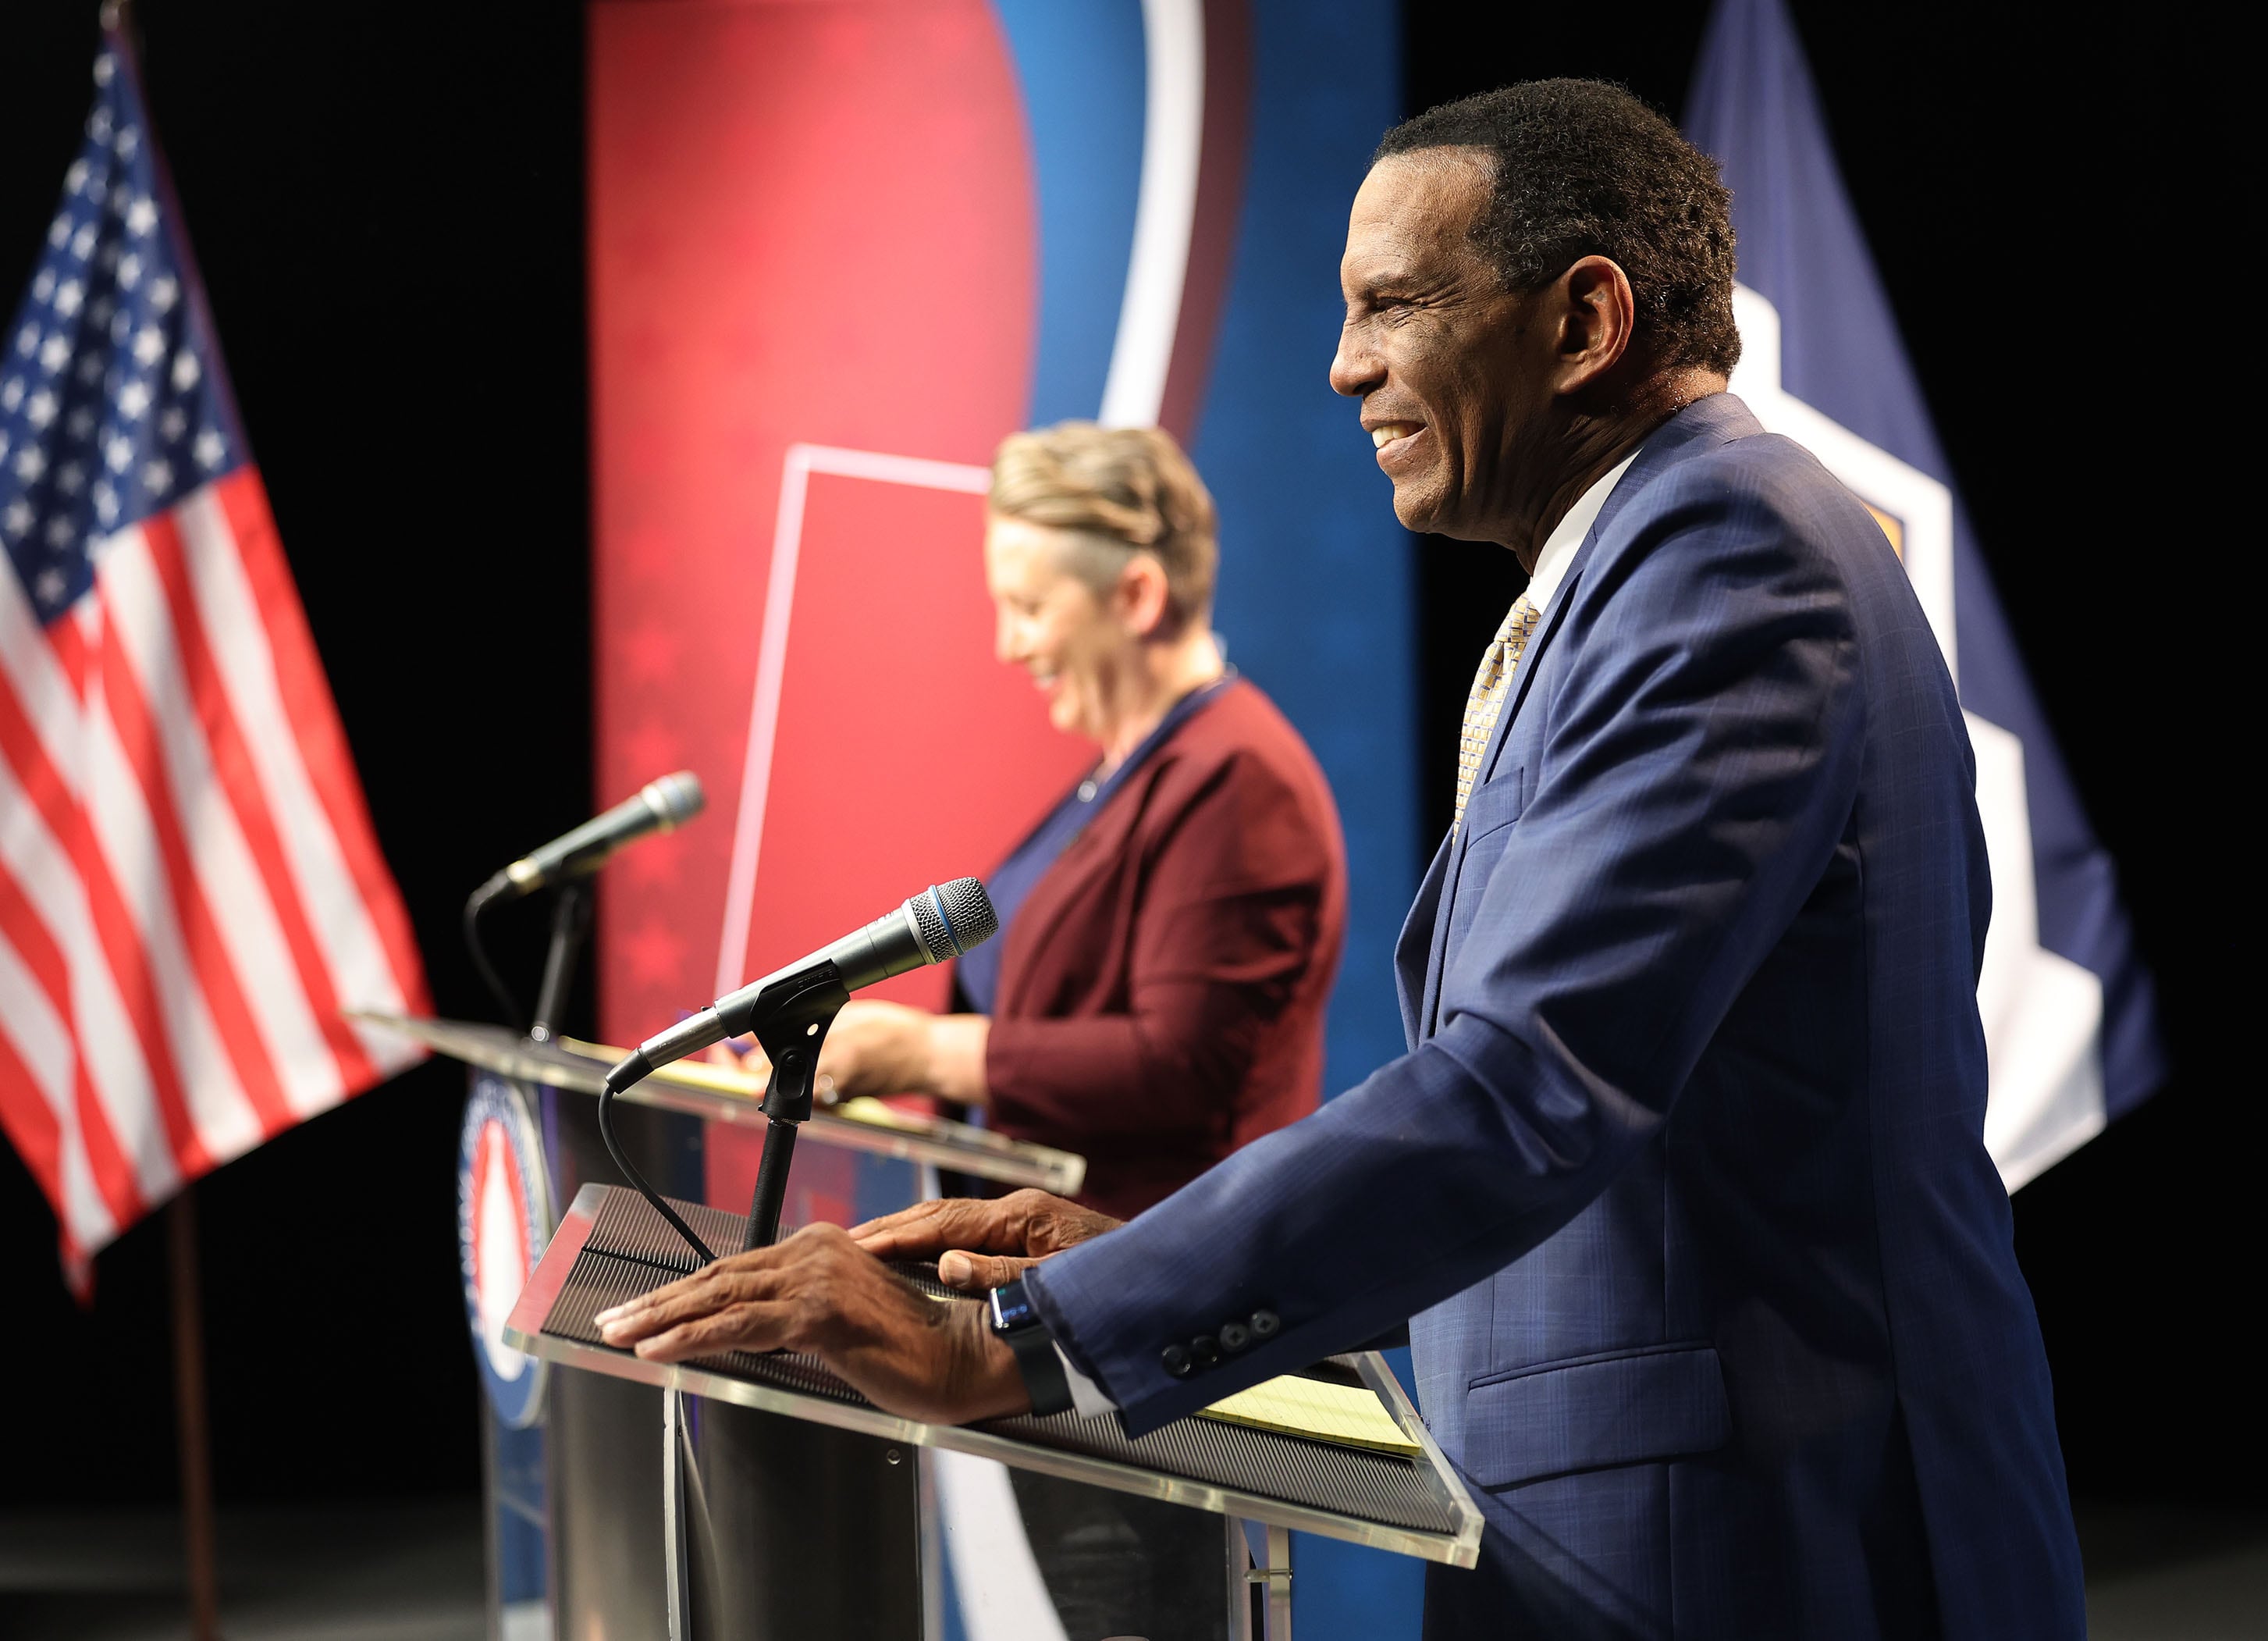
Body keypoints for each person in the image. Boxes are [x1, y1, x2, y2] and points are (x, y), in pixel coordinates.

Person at [599, 79, 2085, 1639]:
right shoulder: (1669, 562)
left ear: (1584, 320)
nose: (1345, 364)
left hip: (1754, 1548)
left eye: (1392, 306)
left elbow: (1528, 1092)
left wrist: (1023, 1341)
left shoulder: (1726, 563)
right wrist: (1141, 1254)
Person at [790, 420, 1348, 1222]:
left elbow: (1181, 1061)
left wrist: (928, 1052)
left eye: (1028, 606)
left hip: (1155, 1286)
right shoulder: (1135, 769)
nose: (1009, 644)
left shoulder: (1239, 776)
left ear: (1137, 595)